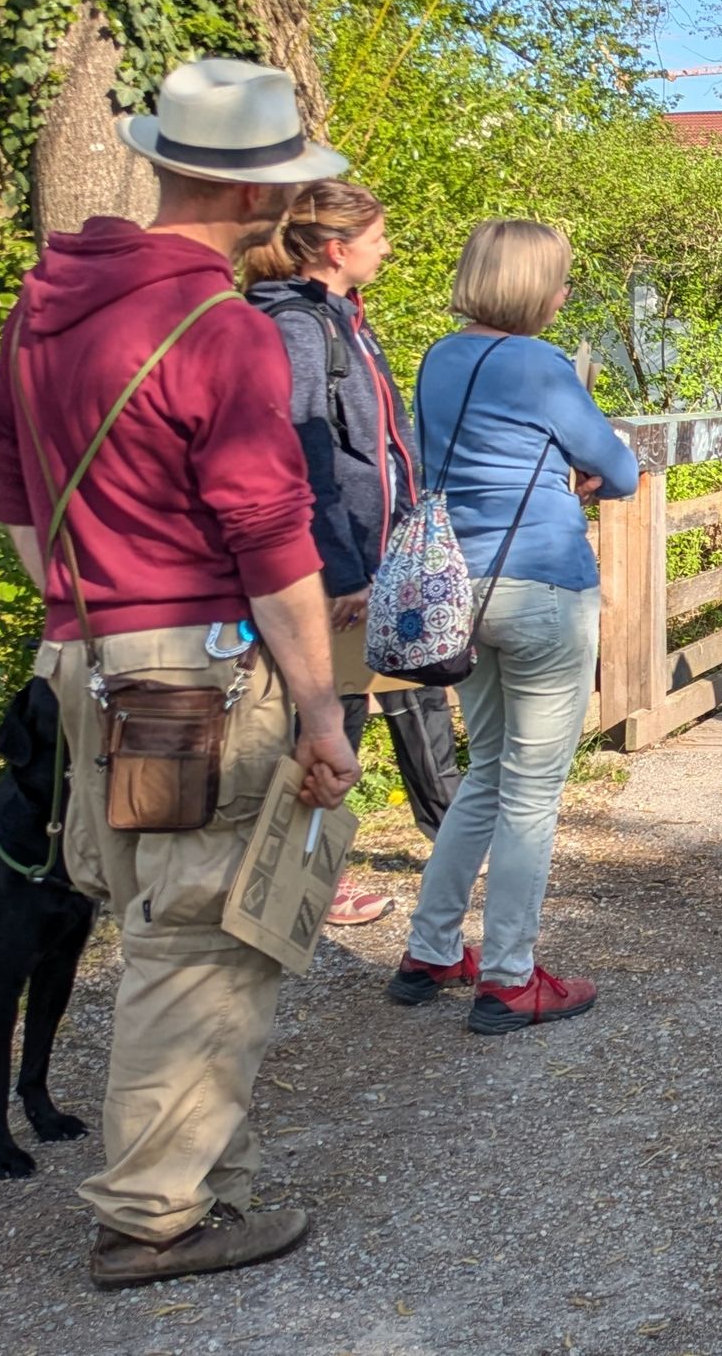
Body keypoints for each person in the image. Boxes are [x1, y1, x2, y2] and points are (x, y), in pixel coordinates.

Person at [0, 58, 360, 1289]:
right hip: (197, 669)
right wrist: (320, 708)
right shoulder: (217, 328)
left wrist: (83, 602)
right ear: (256, 195)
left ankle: (202, 1173)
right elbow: (270, 536)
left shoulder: (47, 306)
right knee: (200, 934)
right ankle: (152, 1215)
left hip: (88, 656)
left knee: (161, 913)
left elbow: (10, 481)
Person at [387, 219, 639, 1033]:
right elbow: (622, 468)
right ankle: (508, 975)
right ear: (534, 289)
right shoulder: (540, 364)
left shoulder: (438, 358)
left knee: (488, 770)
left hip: (462, 588)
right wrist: (588, 472)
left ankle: (430, 947)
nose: (564, 293)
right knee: (532, 789)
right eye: (559, 280)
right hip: (543, 586)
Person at [241, 181, 462, 925]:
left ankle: (456, 834)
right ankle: (294, 884)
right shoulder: (298, 327)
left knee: (412, 689)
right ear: (338, 249)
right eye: (378, 238)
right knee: (330, 721)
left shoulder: (344, 319)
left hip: (380, 554)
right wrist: (340, 570)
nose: (387, 248)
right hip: (338, 567)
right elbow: (305, 457)